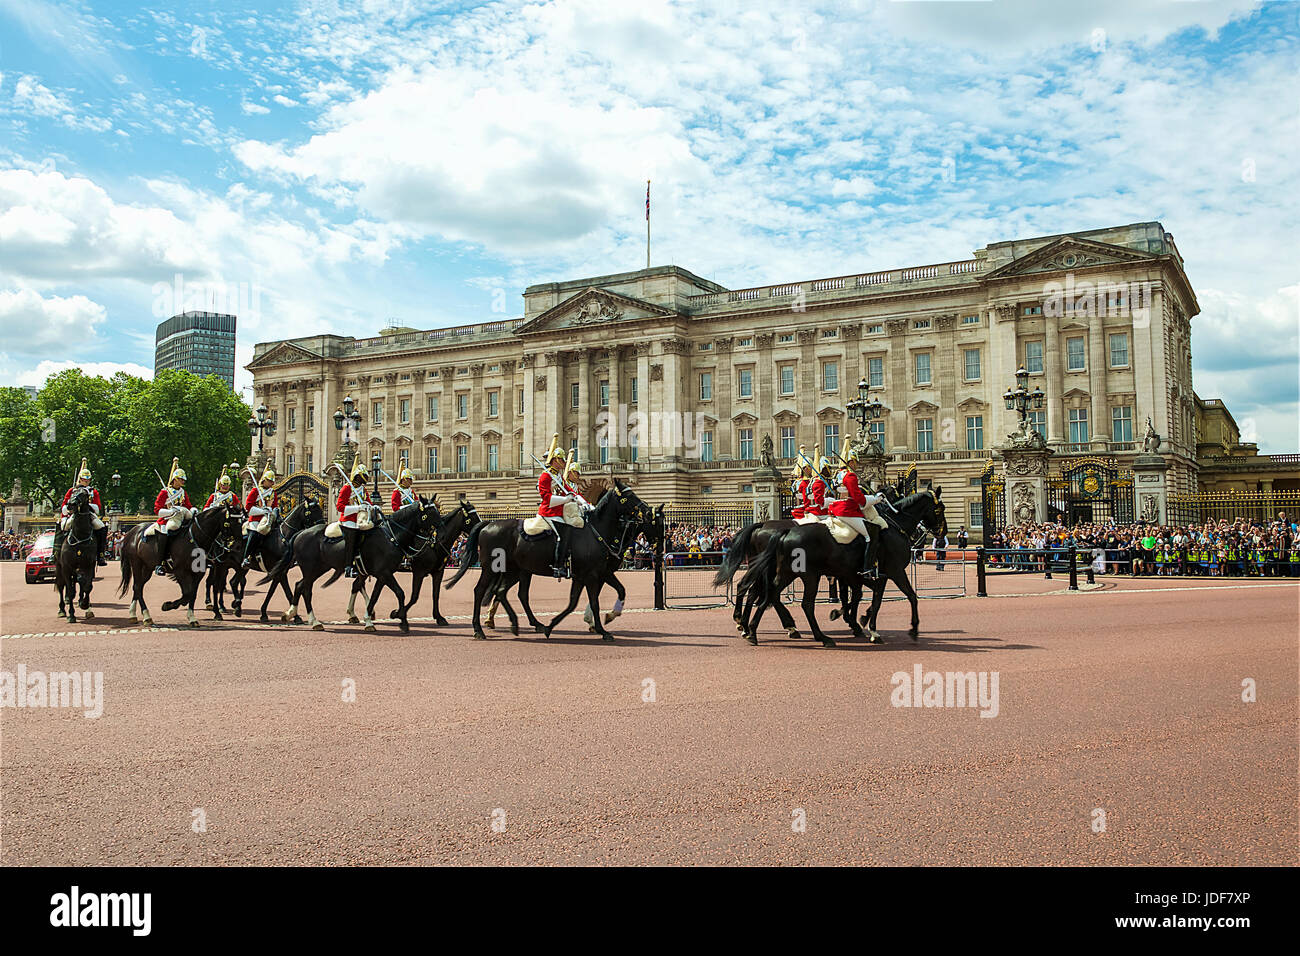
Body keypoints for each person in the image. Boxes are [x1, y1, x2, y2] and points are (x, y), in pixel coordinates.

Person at [827, 443, 888, 580]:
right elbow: (858, 499)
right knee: (871, 535)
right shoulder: (850, 476)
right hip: (847, 511)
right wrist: (876, 499)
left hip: (837, 508)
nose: (857, 465)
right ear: (851, 461)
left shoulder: (837, 475)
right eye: (855, 462)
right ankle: (867, 569)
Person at [536, 434, 579, 578]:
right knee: (563, 535)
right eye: (561, 459)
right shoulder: (546, 476)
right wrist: (567, 500)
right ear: (554, 459)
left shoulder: (558, 476)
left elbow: (570, 490)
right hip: (548, 512)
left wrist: (582, 502)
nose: (563, 462)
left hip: (558, 512)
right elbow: (547, 499)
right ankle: (557, 566)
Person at [60, 458, 108, 566]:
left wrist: (87, 505)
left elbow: (97, 507)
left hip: (88, 514)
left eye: (88, 480)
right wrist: (69, 508)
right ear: (80, 479)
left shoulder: (93, 492)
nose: (86, 482)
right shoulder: (72, 491)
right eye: (84, 480)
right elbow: (64, 505)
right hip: (74, 514)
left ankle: (100, 554)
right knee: (62, 526)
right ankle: (57, 552)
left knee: (102, 528)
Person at [150, 457, 194, 574]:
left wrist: (192, 510)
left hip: (181, 517)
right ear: (175, 479)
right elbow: (157, 509)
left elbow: (188, 506)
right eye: (181, 479)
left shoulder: (183, 492)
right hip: (166, 519)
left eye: (183, 480)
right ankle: (160, 563)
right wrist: (170, 512)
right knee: (165, 533)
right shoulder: (165, 492)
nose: (183, 481)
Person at [336, 460, 374, 574]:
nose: (366, 477)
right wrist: (357, 508)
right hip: (349, 520)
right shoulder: (347, 488)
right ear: (358, 476)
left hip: (361, 519)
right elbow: (340, 507)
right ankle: (348, 566)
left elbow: (368, 503)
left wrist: (369, 507)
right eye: (364, 475)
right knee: (352, 538)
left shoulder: (363, 490)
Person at [241, 467, 279, 570]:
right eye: (270, 481)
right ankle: (247, 557)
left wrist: (274, 511)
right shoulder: (255, 491)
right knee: (254, 535)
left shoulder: (273, 492)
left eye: (272, 481)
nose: (271, 483)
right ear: (264, 480)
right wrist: (263, 511)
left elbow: (275, 506)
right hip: (255, 520)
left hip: (268, 519)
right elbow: (248, 508)